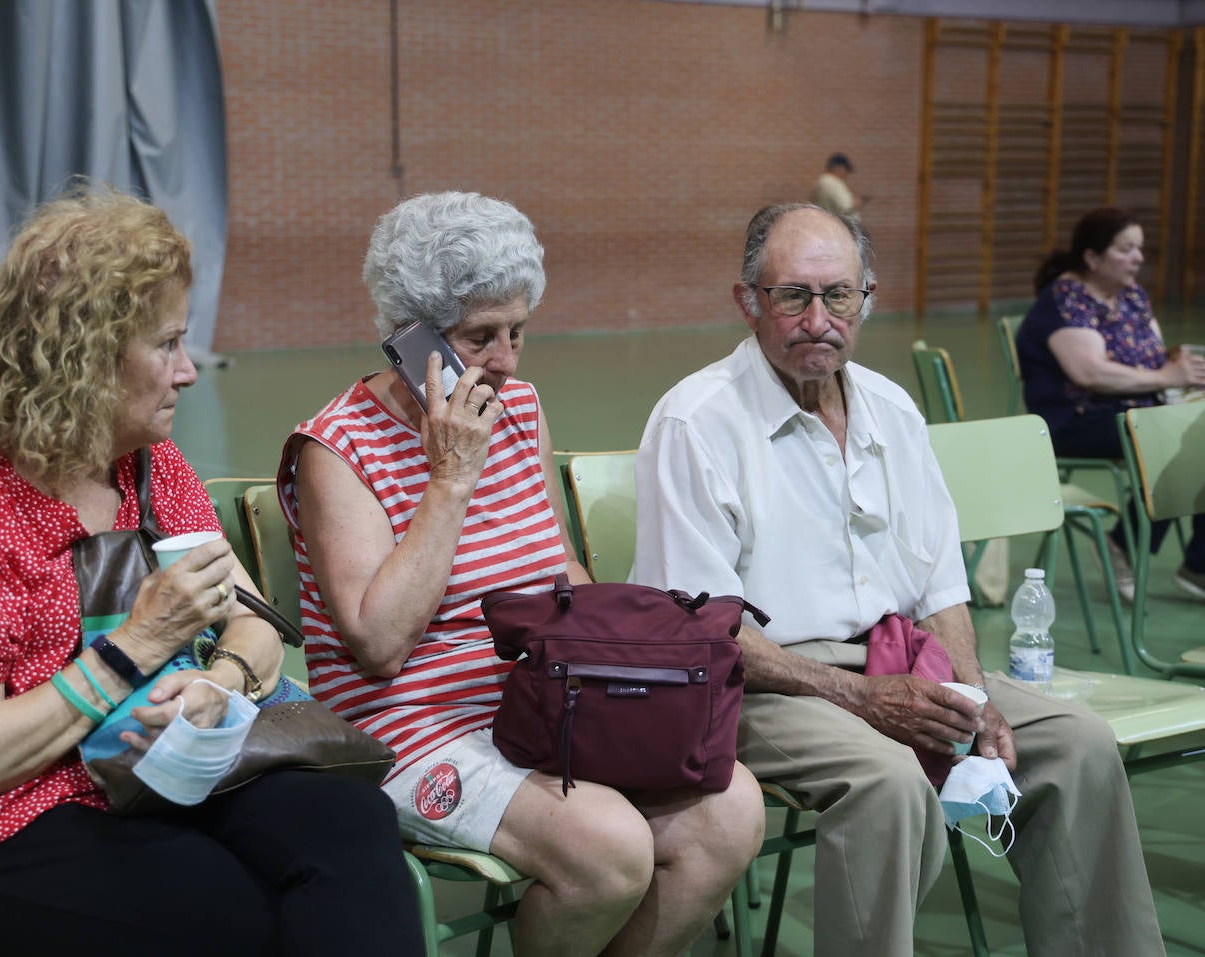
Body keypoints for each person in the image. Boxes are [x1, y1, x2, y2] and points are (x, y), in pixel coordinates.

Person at [0, 187, 423, 957]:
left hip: (149, 776)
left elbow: (252, 621)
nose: (188, 372)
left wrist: (214, 684)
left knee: (350, 827)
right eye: (166, 344)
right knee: (229, 911)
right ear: (81, 359)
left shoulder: (148, 469)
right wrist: (139, 645)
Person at [633, 202, 1164, 957]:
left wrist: (975, 699)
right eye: (794, 295)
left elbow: (939, 584)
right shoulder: (698, 421)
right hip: (763, 681)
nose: (818, 318)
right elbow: (707, 628)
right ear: (748, 302)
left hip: (902, 661)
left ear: (867, 299)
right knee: (888, 782)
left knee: (1077, 744)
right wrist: (859, 695)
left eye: (838, 295)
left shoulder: (892, 409)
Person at [281, 191, 764, 957]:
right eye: (480, 338)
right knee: (610, 848)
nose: (506, 360)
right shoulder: (335, 449)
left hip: (541, 700)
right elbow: (378, 644)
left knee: (732, 805)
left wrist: (629, 665)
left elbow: (556, 568)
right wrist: (449, 481)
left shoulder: (520, 409)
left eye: (518, 331)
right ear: (411, 337)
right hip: (411, 730)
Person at [1017, 206, 1205, 601]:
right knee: (1177, 442)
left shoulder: (1132, 297)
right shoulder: (1066, 299)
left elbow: (1153, 356)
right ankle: (1135, 547)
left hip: (1134, 414)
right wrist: (1166, 379)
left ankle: (1193, 563)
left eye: (1140, 248)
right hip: (1076, 420)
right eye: (1126, 248)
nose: (1138, 257)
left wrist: (1178, 369)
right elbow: (1091, 374)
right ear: (1092, 256)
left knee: (1196, 434)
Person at [811, 153, 866, 220]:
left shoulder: (823, 181)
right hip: (838, 225)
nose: (846, 173)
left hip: (829, 222)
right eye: (845, 169)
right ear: (837, 167)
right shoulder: (831, 182)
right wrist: (856, 203)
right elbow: (845, 208)